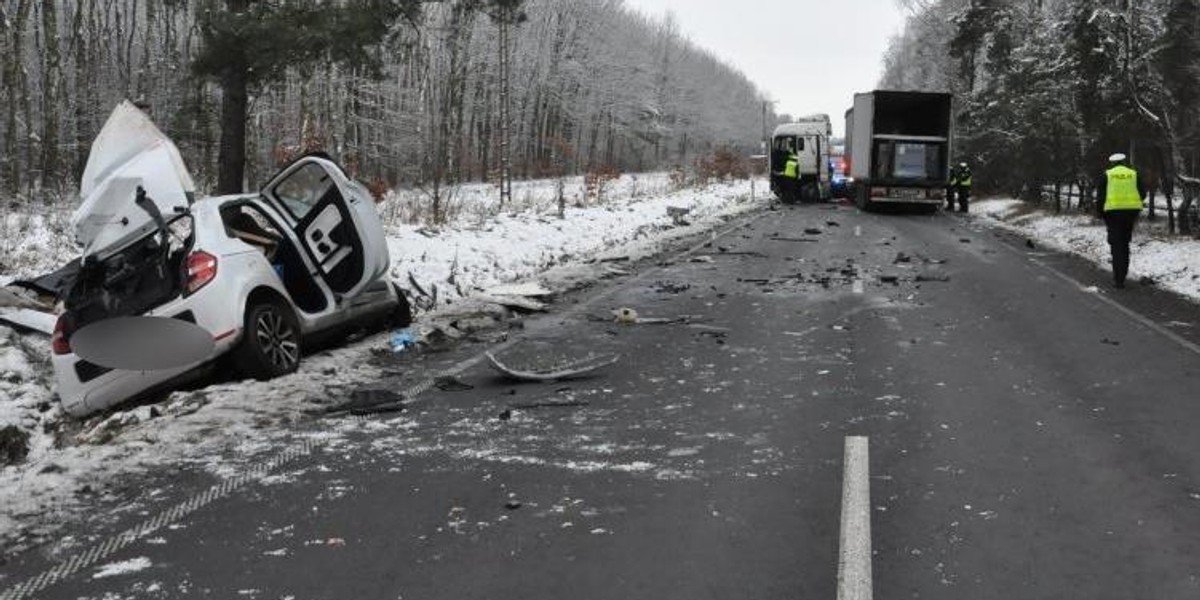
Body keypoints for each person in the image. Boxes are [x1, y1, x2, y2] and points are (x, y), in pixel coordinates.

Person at [1097, 153, 1146, 288]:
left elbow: (1100, 197)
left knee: (1116, 245)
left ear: (1112, 163)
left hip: (1113, 214)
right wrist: (1132, 205)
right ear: (1124, 162)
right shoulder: (1134, 174)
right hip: (1130, 213)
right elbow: (1143, 193)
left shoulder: (1107, 175)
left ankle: (1119, 279)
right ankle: (1122, 274)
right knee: (1125, 244)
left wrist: (1101, 213)